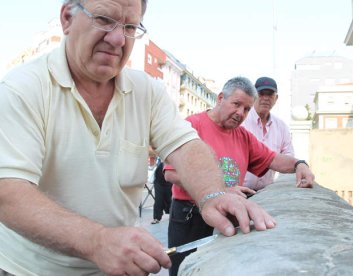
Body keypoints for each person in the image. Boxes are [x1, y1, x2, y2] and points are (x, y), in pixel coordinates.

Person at [0, 1, 276, 275]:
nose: (118, 38)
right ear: (67, 18)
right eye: (104, 20)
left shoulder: (147, 91)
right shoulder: (22, 89)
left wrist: (212, 193)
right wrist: (97, 241)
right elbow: (8, 191)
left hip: (121, 268)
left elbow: (186, 146)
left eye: (131, 26)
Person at [164, 76, 315, 276]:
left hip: (228, 214)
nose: (240, 113)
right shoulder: (193, 125)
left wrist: (298, 164)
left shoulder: (243, 136)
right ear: (220, 98)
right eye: (236, 104)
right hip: (191, 216)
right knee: (183, 271)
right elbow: (171, 173)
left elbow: (273, 159)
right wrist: (218, 191)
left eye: (246, 109)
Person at [241, 76, 295, 190]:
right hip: (239, 192)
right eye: (261, 93)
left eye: (270, 94)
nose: (265, 98)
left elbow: (289, 156)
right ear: (253, 96)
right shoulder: (241, 121)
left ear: (276, 98)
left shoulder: (281, 127)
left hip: (266, 193)